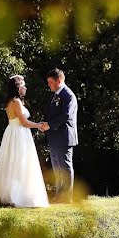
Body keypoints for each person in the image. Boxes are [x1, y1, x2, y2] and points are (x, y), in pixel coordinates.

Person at [0, 75, 50, 208]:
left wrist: (36, 125)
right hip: (18, 134)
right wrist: (39, 125)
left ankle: (9, 193)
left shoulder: (10, 101)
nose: (25, 87)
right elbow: (23, 122)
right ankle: (15, 195)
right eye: (23, 85)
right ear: (18, 88)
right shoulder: (16, 102)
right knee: (19, 162)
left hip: (12, 132)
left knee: (11, 162)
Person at [40, 68, 78, 203]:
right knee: (57, 168)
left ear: (59, 81)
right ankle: (59, 196)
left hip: (64, 137)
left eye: (50, 82)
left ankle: (67, 197)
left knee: (65, 167)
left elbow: (66, 115)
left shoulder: (68, 96)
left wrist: (49, 125)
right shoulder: (55, 95)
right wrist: (44, 124)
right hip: (54, 137)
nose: (48, 84)